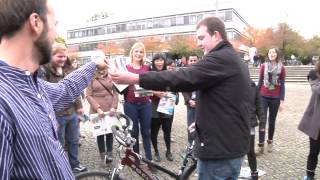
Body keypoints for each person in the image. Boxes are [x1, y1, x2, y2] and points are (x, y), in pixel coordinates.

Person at [109, 16, 251, 180]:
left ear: (216, 35)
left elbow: (184, 76)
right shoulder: (231, 57)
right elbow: (226, 103)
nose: (198, 43)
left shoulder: (221, 58)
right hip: (227, 144)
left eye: (201, 37)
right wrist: (201, 123)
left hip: (220, 151)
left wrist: (135, 78)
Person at [0, 0, 106, 178]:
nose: (57, 33)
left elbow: (64, 90)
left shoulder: (33, 84)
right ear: (36, 23)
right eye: (55, 24)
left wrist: (94, 64)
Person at [42, 42, 87, 173]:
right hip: (57, 115)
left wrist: (79, 106)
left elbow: (73, 89)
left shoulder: (68, 69)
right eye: (59, 56)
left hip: (71, 113)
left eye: (64, 56)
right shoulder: (45, 71)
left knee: (73, 141)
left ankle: (75, 164)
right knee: (59, 143)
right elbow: (45, 96)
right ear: (51, 56)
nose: (62, 59)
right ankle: (59, 168)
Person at [122, 42, 153, 162]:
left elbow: (150, 84)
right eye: (136, 51)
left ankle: (149, 159)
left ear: (143, 54)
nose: (138, 54)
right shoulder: (126, 68)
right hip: (130, 104)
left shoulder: (147, 68)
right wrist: (129, 83)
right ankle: (137, 159)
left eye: (141, 52)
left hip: (145, 104)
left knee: (146, 132)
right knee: (134, 133)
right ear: (132, 53)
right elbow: (119, 85)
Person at [86, 65, 119, 165]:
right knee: (100, 133)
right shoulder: (90, 78)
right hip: (97, 110)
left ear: (106, 69)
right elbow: (88, 95)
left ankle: (109, 153)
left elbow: (116, 93)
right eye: (99, 69)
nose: (101, 71)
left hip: (110, 109)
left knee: (110, 132)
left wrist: (114, 106)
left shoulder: (111, 77)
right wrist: (98, 108)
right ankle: (102, 155)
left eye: (103, 69)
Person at [257, 47, 286, 154]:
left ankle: (270, 142)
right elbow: (260, 81)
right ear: (268, 55)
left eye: (273, 52)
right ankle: (260, 144)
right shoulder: (263, 66)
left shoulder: (282, 68)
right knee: (262, 120)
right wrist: (255, 96)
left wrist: (282, 101)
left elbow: (282, 84)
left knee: (272, 121)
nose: (271, 54)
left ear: (277, 54)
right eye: (270, 52)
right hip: (263, 96)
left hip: (275, 97)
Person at [150, 53, 177, 162]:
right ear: (153, 62)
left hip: (167, 103)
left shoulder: (169, 73)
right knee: (154, 130)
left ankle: (168, 150)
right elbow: (143, 90)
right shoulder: (150, 74)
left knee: (167, 130)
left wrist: (173, 94)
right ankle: (156, 151)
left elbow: (175, 87)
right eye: (157, 60)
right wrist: (155, 92)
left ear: (164, 62)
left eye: (161, 60)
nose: (159, 62)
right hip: (153, 105)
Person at [298, 64, 320, 180]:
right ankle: (310, 175)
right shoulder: (313, 74)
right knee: (314, 150)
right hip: (316, 121)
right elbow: (316, 89)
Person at [247, 79, 266, 180]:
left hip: (250, 122)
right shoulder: (233, 83)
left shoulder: (253, 86)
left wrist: (262, 124)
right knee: (234, 151)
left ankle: (254, 172)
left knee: (250, 150)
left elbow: (259, 105)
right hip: (235, 124)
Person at [182, 54, 199, 145]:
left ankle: (199, 143)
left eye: (194, 60)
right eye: (191, 60)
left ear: (198, 61)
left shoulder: (202, 72)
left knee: (201, 124)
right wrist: (189, 100)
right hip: (190, 103)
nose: (193, 62)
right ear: (188, 61)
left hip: (201, 103)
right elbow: (183, 89)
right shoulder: (186, 72)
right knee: (190, 124)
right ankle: (190, 144)